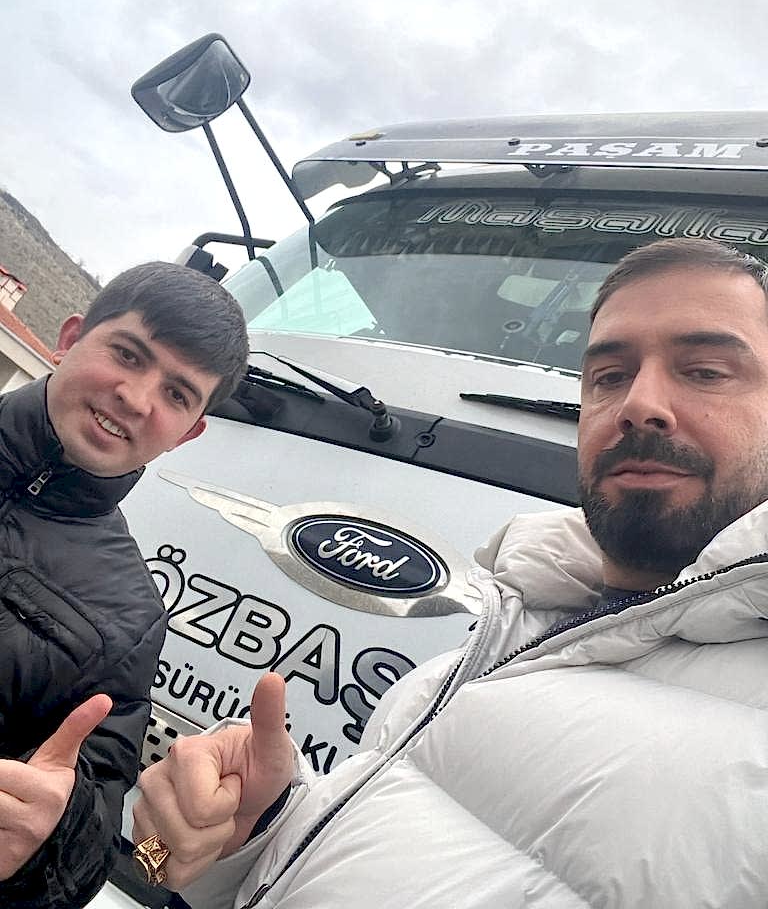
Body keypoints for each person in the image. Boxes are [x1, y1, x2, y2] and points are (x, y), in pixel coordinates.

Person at [133, 237, 768, 907]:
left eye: (705, 372)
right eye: (609, 377)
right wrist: (252, 831)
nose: (640, 403)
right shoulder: (519, 620)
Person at [0, 261, 248, 908]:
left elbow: (97, 839)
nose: (136, 399)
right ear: (70, 337)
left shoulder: (132, 621)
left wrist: (43, 840)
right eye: (129, 355)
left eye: (177, 394)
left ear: (188, 433)